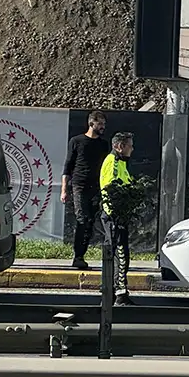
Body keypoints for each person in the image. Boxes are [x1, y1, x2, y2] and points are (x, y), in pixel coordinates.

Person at [61, 111, 109, 271]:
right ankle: (78, 256)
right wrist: (64, 190)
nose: (102, 127)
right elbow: (68, 166)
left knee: (90, 221)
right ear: (91, 123)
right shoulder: (76, 141)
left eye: (103, 124)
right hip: (79, 185)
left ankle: (83, 254)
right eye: (100, 123)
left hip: (97, 186)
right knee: (82, 219)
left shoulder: (103, 144)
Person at [99, 132, 136, 306]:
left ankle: (116, 293)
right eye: (129, 145)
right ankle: (119, 294)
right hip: (115, 216)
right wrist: (117, 212)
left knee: (119, 254)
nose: (132, 149)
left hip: (120, 215)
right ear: (119, 146)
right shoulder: (112, 162)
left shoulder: (121, 163)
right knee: (120, 255)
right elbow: (110, 188)